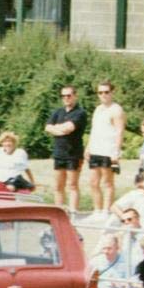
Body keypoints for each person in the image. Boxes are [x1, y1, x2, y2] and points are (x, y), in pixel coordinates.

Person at [84, 80, 126, 210]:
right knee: (93, 182)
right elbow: (94, 130)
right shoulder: (98, 109)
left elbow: (119, 131)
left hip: (108, 151)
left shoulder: (117, 110)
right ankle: (97, 210)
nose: (103, 95)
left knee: (107, 183)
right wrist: (88, 147)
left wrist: (116, 153)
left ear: (112, 92)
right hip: (96, 149)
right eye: (100, 92)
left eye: (106, 92)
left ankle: (106, 212)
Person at [45, 84, 88, 212]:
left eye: (68, 95)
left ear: (75, 96)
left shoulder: (80, 113)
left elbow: (69, 128)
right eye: (63, 96)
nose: (66, 98)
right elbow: (47, 127)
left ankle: (73, 213)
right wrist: (59, 130)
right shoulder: (58, 112)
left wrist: (55, 129)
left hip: (73, 154)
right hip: (59, 153)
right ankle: (59, 212)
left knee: (72, 185)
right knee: (58, 186)